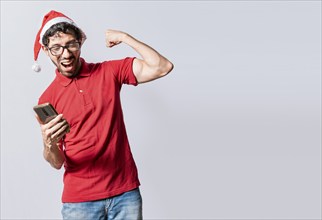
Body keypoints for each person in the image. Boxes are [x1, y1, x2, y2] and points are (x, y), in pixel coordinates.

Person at [33, 10, 173, 220]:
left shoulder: (109, 72)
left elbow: (162, 67)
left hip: (125, 193)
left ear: (80, 41)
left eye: (71, 44)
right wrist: (48, 144)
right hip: (79, 202)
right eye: (56, 48)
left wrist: (125, 38)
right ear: (46, 51)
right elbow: (56, 162)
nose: (66, 53)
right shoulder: (47, 99)